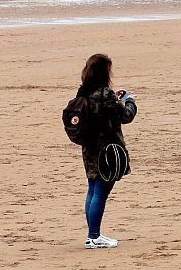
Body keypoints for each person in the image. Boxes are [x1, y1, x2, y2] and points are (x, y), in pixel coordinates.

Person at [75, 54, 137, 249]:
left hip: (89, 148)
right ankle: (94, 236)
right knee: (100, 191)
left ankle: (93, 234)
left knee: (93, 189)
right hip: (108, 149)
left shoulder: (83, 93)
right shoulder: (104, 94)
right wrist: (129, 101)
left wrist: (116, 99)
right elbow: (126, 116)